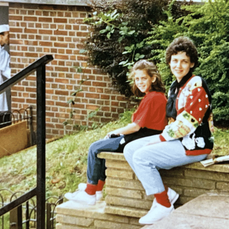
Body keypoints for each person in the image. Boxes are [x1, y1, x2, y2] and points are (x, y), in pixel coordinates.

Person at [124, 37, 213, 224]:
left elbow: (188, 123)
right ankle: (165, 193)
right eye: (175, 60)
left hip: (194, 144)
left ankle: (164, 204)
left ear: (192, 64)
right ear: (169, 62)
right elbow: (172, 121)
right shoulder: (175, 86)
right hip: (177, 140)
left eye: (184, 61)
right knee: (130, 149)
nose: (178, 65)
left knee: (142, 156)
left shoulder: (196, 84)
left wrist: (161, 139)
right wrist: (162, 137)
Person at [66, 60, 167, 205]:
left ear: (153, 78)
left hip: (139, 137)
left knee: (95, 147)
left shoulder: (152, 98)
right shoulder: (157, 95)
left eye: (143, 78)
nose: (140, 82)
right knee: (103, 147)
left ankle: (89, 193)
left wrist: (115, 131)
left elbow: (136, 127)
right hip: (145, 135)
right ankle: (97, 189)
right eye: (137, 79)